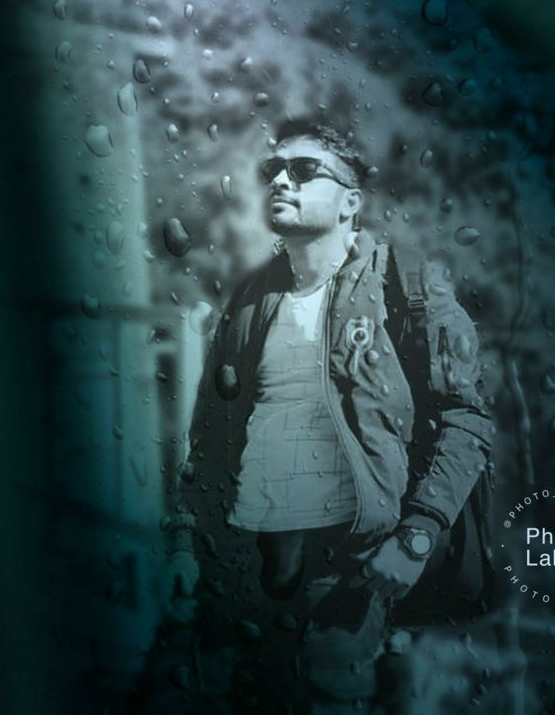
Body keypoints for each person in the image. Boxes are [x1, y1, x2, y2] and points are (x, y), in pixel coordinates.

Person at [179, 120, 496, 713]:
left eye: (303, 170)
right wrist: (187, 540)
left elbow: (468, 420)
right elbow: (212, 437)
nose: (281, 180)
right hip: (240, 566)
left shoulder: (405, 285)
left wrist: (417, 536)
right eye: (272, 170)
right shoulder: (250, 299)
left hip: (344, 574)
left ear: (351, 202)